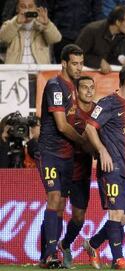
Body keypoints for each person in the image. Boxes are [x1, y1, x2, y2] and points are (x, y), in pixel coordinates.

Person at [83, 64, 125, 270]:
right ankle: (117, 259)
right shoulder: (108, 103)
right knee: (115, 213)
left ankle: (93, 244)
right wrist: (102, 151)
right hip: (111, 166)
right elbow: (89, 127)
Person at [36, 44, 86, 269]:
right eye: (74, 63)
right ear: (64, 63)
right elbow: (62, 126)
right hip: (50, 152)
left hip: (67, 155)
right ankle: (49, 254)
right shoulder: (55, 86)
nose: (78, 67)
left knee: (60, 205)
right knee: (54, 198)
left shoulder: (73, 88)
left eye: (81, 63)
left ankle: (47, 254)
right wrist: (84, 141)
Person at [57, 76, 96, 269]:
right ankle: (48, 254)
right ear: (76, 91)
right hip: (63, 169)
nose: (89, 91)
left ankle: (65, 245)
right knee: (55, 211)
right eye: (85, 87)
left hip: (82, 172)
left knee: (79, 218)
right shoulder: (69, 110)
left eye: (92, 87)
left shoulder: (98, 112)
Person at [76, 5, 125, 73]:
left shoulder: (122, 35)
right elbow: (76, 54)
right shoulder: (92, 30)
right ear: (118, 22)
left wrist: (122, 59)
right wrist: (99, 62)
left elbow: (114, 54)